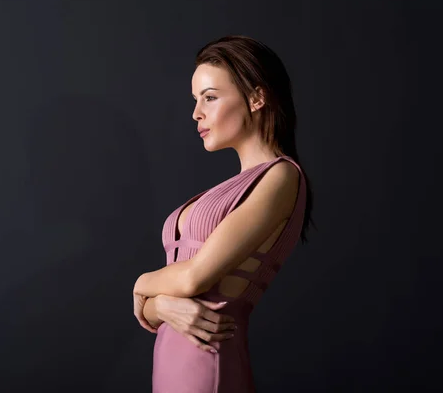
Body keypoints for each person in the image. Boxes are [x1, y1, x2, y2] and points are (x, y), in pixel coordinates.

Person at [133, 35, 315, 393]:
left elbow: (193, 280)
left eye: (210, 97)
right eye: (196, 99)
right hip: (173, 361)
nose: (196, 112)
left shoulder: (281, 176)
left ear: (257, 98)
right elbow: (159, 310)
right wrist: (163, 306)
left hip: (207, 362)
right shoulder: (232, 188)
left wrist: (140, 285)